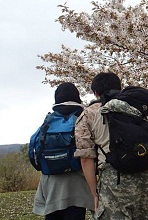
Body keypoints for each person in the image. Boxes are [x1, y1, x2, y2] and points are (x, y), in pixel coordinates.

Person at [75, 72, 148, 219]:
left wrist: (94, 193)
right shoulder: (140, 107)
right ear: (120, 88)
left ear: (95, 93)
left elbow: (86, 158)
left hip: (115, 180)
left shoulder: (88, 114)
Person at [33, 82, 95, 220]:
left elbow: (35, 151)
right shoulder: (83, 118)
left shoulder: (49, 120)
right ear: (77, 97)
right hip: (77, 184)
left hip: (51, 183)